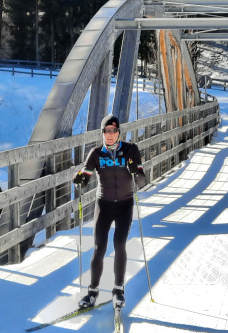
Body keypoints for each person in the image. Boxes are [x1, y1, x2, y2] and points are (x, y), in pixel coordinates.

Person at [72, 115, 146, 309]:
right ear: (102, 133)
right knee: (100, 247)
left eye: (113, 131)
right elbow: (85, 178)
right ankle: (92, 293)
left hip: (125, 204)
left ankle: (118, 290)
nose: (110, 135)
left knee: (120, 243)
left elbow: (141, 182)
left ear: (119, 132)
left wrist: (134, 170)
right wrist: (78, 178)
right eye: (106, 131)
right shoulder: (96, 153)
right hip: (103, 204)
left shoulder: (131, 150)